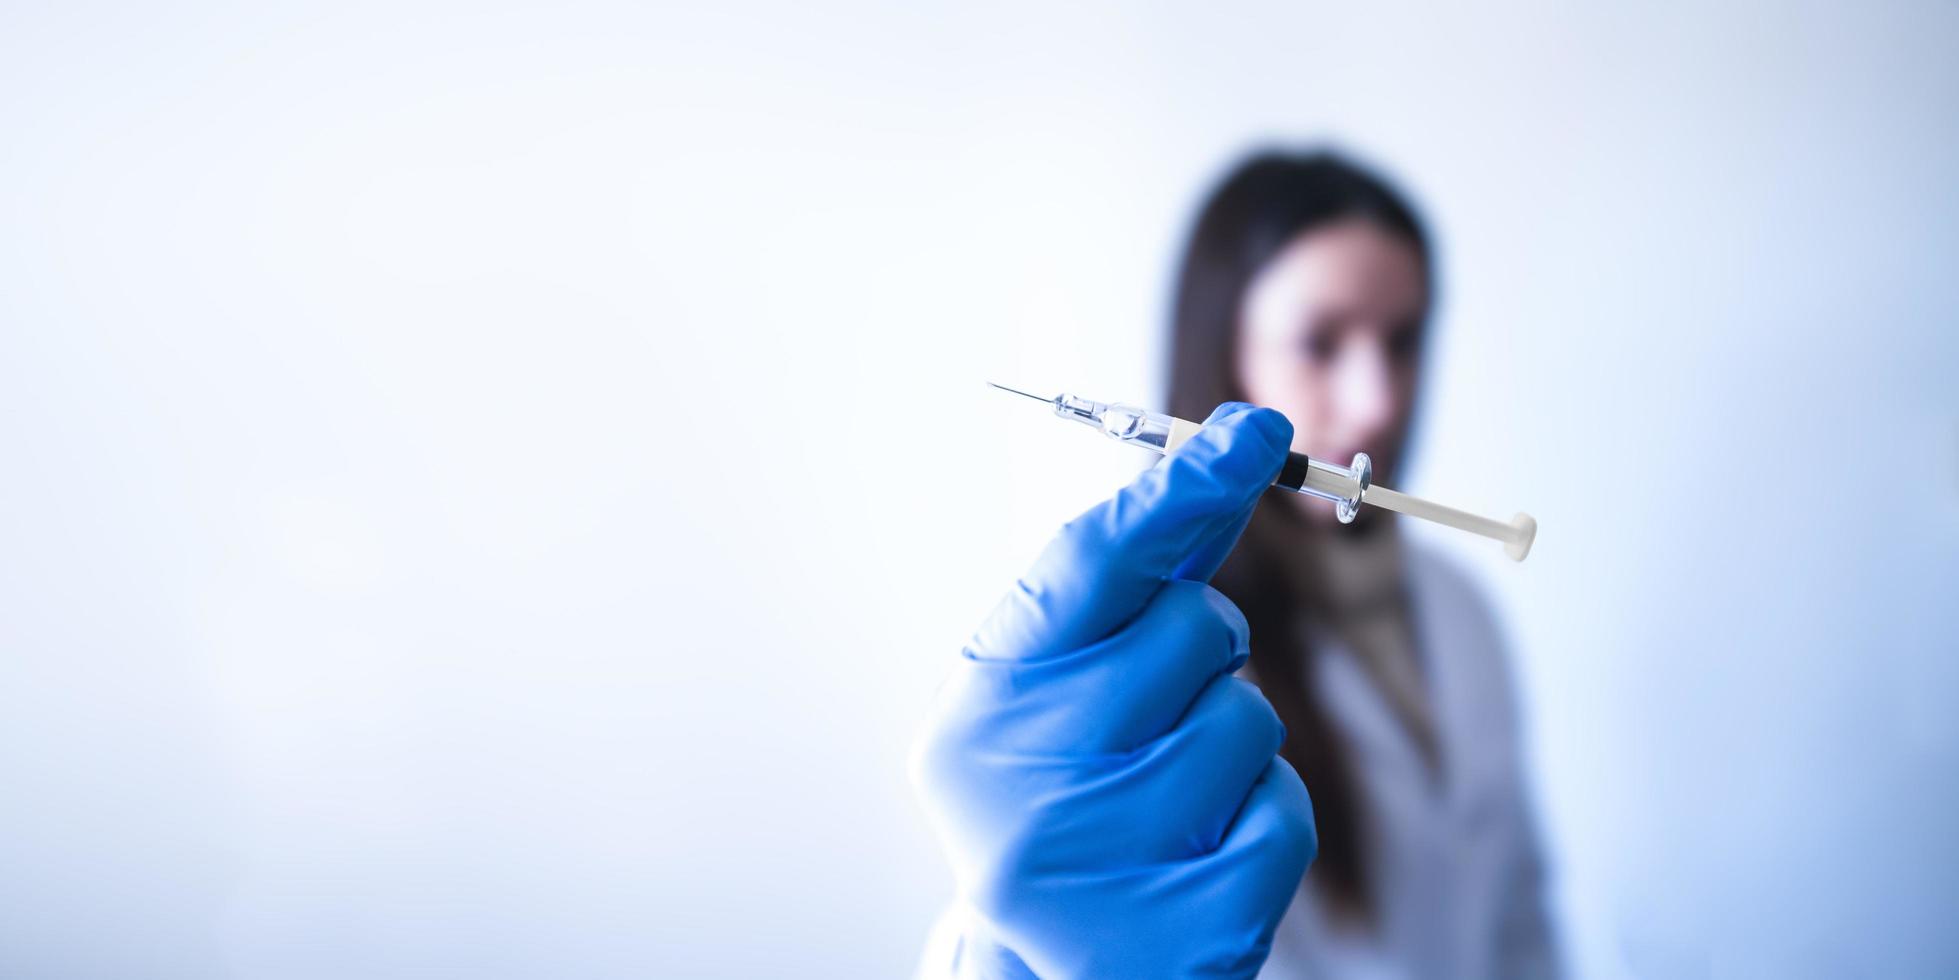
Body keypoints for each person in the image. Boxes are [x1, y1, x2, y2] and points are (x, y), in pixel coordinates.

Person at [912, 151, 1555, 979]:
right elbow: (1032, 899)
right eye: (1319, 342)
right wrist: (1007, 962)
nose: (1377, 400)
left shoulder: (1458, 609)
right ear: (1223, 355)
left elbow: (1520, 919)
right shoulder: (1148, 663)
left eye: (1401, 341)